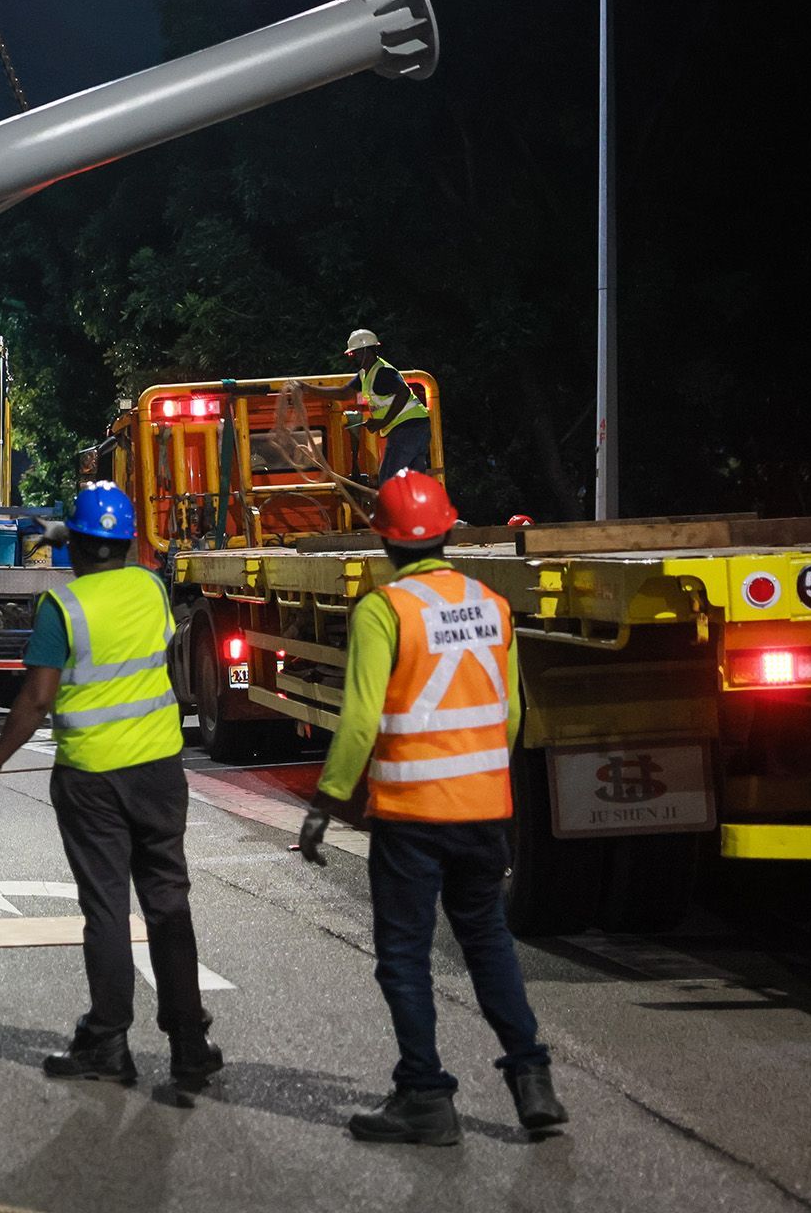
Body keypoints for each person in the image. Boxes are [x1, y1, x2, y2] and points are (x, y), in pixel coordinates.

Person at [295, 471, 568, 1144]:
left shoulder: (383, 610)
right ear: (448, 530)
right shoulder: (492, 605)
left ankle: (424, 1095)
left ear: (386, 541)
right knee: (487, 943)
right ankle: (531, 1080)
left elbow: (360, 720)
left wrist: (327, 801)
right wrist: (482, 781)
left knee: (406, 956)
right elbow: (509, 716)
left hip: (413, 817)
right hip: (483, 814)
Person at [0, 483, 221, 1089]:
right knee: (168, 903)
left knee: (106, 909)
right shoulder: (152, 589)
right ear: (130, 541)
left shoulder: (63, 607)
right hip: (160, 772)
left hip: (92, 780)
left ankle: (108, 1040)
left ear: (76, 545)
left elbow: (35, 700)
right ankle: (189, 1043)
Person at [292, 328, 432, 480]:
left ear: (366, 351)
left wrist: (384, 421)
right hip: (415, 427)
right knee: (412, 482)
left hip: (407, 428)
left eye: (354, 353)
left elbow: (404, 393)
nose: (352, 357)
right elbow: (344, 393)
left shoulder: (383, 372)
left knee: (389, 480)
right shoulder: (366, 374)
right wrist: (308, 388)